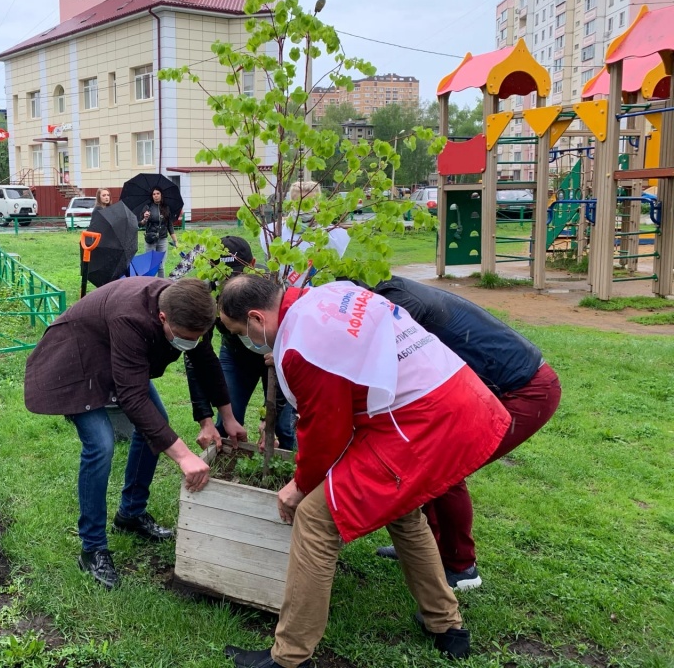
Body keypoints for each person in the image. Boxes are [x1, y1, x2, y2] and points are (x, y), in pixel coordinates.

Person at [218, 275, 511, 665]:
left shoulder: (302, 345)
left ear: (257, 318)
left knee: (315, 519)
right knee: (404, 513)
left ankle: (290, 656)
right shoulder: (331, 295)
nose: (247, 341)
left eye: (241, 332)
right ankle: (447, 626)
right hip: (456, 397)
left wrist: (300, 485)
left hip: (418, 421)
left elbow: (327, 431)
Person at [24, 276, 247, 591]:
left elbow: (205, 360)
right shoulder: (131, 317)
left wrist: (228, 416)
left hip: (117, 352)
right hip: (78, 356)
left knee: (155, 426)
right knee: (100, 445)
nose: (192, 343)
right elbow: (133, 397)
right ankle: (92, 548)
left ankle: (130, 514)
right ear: (162, 318)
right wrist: (183, 456)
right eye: (184, 337)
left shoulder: (196, 309)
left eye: (198, 336)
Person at [367, 276, 562, 590]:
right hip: (493, 387)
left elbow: (381, 364)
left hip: (526, 390)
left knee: (445, 469)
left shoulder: (396, 305)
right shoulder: (391, 292)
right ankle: (427, 549)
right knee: (427, 457)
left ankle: (462, 567)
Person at [182, 236, 297, 450]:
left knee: (282, 427)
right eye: (222, 276)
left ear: (252, 265)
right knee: (228, 419)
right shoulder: (207, 297)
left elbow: (289, 357)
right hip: (236, 356)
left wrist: (270, 415)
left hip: (276, 356)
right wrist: (204, 416)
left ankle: (286, 472)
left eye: (235, 275)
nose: (228, 283)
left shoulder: (273, 290)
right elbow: (195, 356)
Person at [139, 188, 178, 277]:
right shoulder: (147, 207)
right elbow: (140, 224)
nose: (156, 196)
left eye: (158, 193)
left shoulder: (166, 208)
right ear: (152, 196)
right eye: (154, 194)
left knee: (161, 266)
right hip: (150, 240)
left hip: (162, 240)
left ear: (161, 195)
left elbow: (170, 226)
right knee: (150, 265)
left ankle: (161, 286)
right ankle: (149, 286)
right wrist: (145, 218)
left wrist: (175, 241)